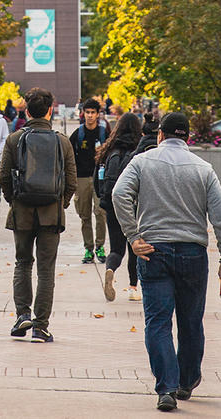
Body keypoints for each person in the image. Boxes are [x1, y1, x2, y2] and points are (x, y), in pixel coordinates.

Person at [113, 111, 221, 412]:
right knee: (191, 321)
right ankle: (187, 379)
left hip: (153, 250)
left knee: (157, 321)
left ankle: (165, 387)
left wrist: (133, 236)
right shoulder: (203, 168)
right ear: (188, 137)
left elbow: (119, 194)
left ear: (160, 135)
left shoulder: (142, 162)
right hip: (193, 252)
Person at [0, 87, 76, 343]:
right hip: (51, 215)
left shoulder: (14, 139)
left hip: (22, 212)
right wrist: (59, 205)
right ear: (50, 110)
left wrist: (15, 200)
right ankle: (41, 327)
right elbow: (72, 183)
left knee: (23, 263)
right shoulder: (62, 141)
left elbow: (3, 178)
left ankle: (23, 315)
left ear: (27, 111)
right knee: (46, 270)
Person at [95, 112, 144, 303]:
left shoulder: (108, 150)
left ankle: (110, 269)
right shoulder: (139, 152)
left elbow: (96, 179)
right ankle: (133, 288)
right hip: (132, 206)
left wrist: (102, 198)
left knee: (116, 248)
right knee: (134, 248)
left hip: (111, 204)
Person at [69, 98, 109, 264]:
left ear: (98, 114)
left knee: (101, 213)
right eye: (88, 112)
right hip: (82, 178)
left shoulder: (104, 133)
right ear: (83, 114)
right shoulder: (78, 134)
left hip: (100, 178)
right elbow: (69, 156)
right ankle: (88, 248)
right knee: (84, 215)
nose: (90, 116)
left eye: (93, 112)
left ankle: (100, 246)